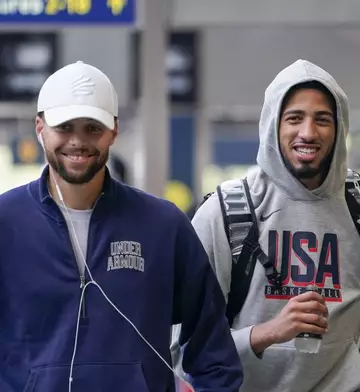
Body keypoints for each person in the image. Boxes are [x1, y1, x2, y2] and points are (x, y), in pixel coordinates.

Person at [0, 61, 243, 391]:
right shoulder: (6, 223)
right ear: (40, 127)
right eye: (65, 127)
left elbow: (214, 352)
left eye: (93, 128)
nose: (78, 141)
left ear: (114, 130)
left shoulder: (163, 225)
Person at [187, 59, 360, 391]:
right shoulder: (223, 213)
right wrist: (268, 333)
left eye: (322, 119)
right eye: (294, 118)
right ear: (272, 125)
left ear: (339, 127)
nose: (308, 133)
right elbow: (185, 348)